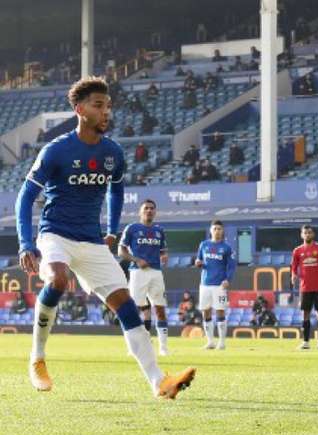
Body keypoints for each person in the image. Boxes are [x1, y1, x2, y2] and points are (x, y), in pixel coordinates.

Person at [15, 76, 195, 399]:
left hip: (92, 242)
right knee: (57, 280)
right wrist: (26, 243)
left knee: (125, 305)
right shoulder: (56, 151)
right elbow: (25, 197)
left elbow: (117, 190)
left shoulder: (113, 153)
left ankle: (159, 382)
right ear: (79, 109)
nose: (106, 112)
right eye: (99, 106)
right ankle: (37, 358)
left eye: (108, 106)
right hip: (55, 235)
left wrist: (111, 230)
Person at [118, 199, 170, 356]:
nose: (149, 210)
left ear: (155, 212)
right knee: (133, 310)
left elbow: (163, 250)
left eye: (152, 208)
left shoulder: (159, 230)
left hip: (156, 272)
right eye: (146, 208)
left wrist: (164, 255)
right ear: (140, 212)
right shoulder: (132, 228)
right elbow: (121, 252)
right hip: (137, 273)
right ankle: (132, 347)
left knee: (160, 309)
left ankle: (163, 348)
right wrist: (136, 260)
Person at [291, 225, 318, 350]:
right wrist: (293, 275)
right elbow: (293, 266)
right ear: (301, 235)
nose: (307, 235)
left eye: (309, 232)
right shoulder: (297, 251)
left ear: (313, 234)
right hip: (305, 288)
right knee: (305, 314)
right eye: (305, 233)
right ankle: (306, 342)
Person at [195, 220, 235, 350]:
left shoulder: (227, 247)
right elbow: (199, 259)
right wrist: (198, 263)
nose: (217, 231)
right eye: (215, 228)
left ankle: (222, 342)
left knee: (220, 310)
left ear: (222, 231)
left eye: (219, 229)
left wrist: (227, 279)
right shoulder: (204, 245)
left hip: (219, 285)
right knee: (205, 311)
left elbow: (231, 266)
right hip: (205, 284)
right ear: (211, 230)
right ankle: (210, 341)